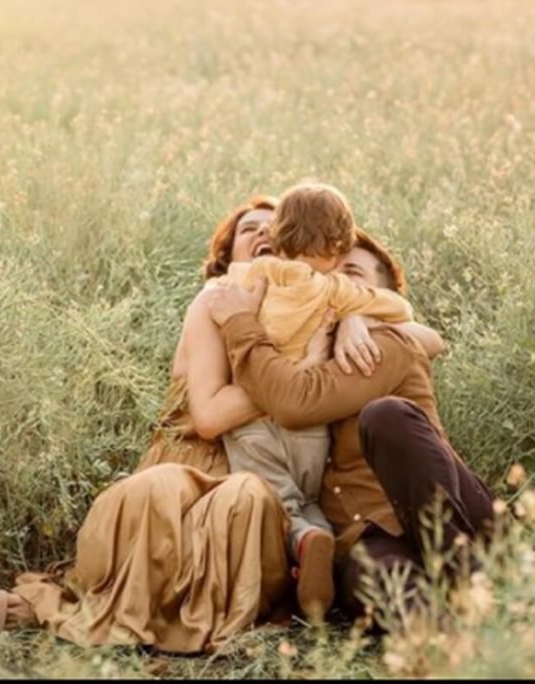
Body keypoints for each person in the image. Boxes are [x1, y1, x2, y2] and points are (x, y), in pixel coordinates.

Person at [0, 196, 294, 654]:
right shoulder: (213, 301)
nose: (263, 233)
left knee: (249, 499)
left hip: (257, 470)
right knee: (157, 491)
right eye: (249, 229)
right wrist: (295, 380)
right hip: (186, 461)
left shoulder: (309, 313)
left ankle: (206, 619)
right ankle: (117, 602)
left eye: (275, 228)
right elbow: (208, 418)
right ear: (226, 258)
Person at [204, 230, 496, 629]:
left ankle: (468, 578)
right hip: (366, 538)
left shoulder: (384, 344)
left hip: (452, 516)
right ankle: (444, 640)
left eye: (351, 274)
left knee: (385, 415)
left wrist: (240, 322)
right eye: (325, 273)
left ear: (381, 295)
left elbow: (293, 402)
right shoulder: (315, 352)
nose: (332, 284)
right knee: (380, 581)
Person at [194, 181, 419, 623]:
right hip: (311, 431)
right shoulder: (334, 290)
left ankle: (302, 539)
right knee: (307, 493)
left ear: (276, 238)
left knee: (279, 497)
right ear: (337, 248)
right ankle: (316, 534)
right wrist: (357, 310)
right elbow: (400, 310)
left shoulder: (252, 278)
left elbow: (224, 295)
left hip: (254, 425)